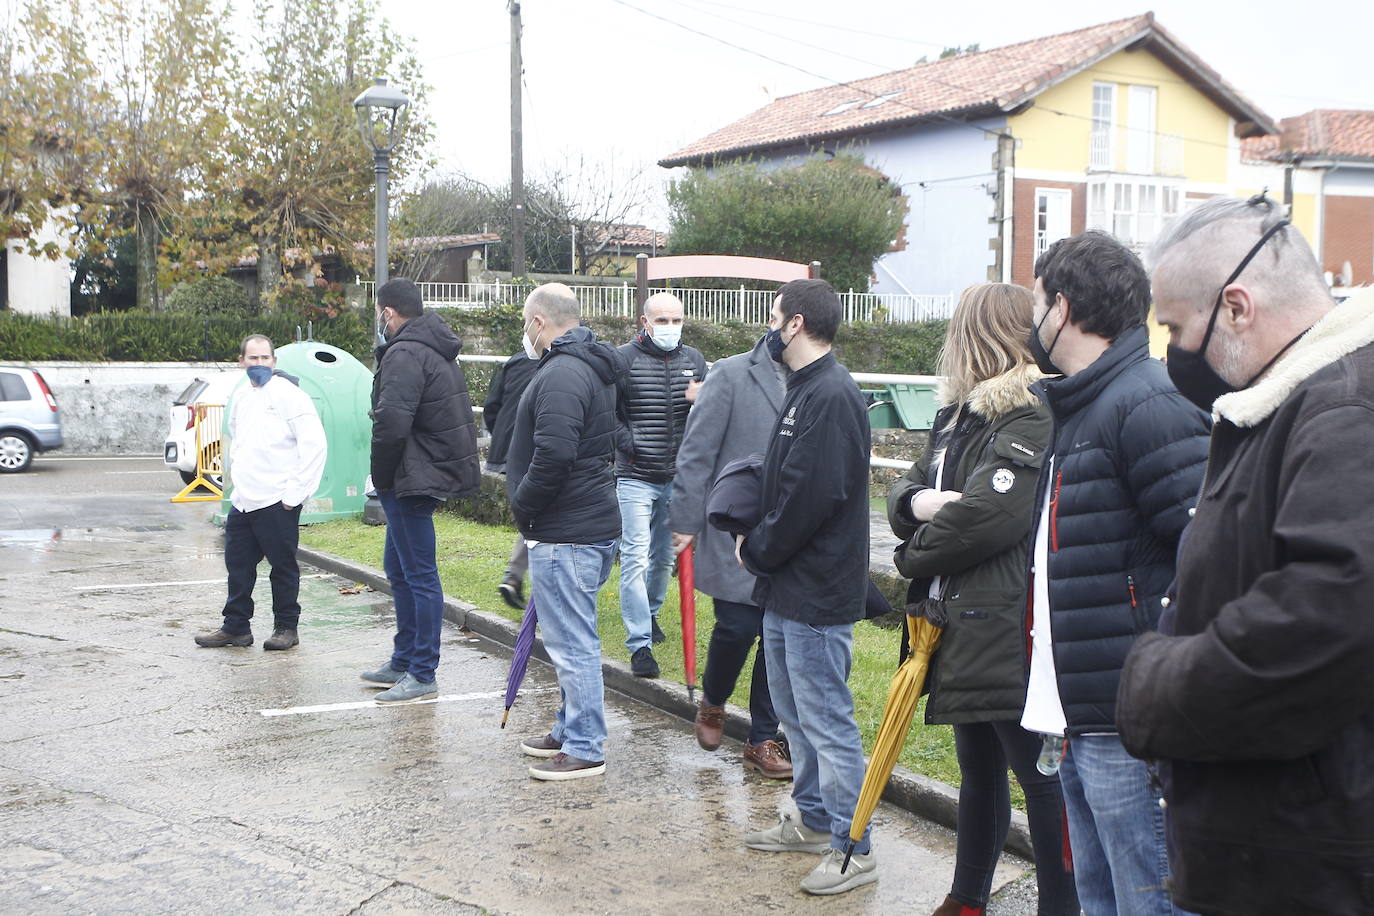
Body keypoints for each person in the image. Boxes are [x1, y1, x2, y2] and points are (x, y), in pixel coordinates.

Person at [1117, 196, 1374, 915]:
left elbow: (1326, 620)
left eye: (1174, 326)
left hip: (1313, 864)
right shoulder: (1293, 403)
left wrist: (1154, 684)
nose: (1171, 350)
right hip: (1281, 852)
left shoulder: (1345, 410)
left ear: (1236, 306)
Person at [1019, 232, 1209, 916]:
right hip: (1080, 716)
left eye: (1036, 302)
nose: (1029, 319)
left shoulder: (1147, 405)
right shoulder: (1081, 407)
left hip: (1129, 722)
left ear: (1062, 308)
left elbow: (1205, 557)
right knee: (1100, 900)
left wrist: (1155, 683)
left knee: (1147, 902)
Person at [887, 284, 1077, 916]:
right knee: (978, 768)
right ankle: (967, 897)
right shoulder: (956, 416)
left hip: (1004, 622)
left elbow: (987, 518)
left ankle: (1061, 905)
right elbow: (906, 493)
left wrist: (912, 549)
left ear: (973, 335)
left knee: (1039, 780)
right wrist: (918, 505)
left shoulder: (1027, 411)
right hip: (955, 622)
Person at [737, 279, 875, 896]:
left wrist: (757, 548)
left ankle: (854, 845)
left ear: (794, 324)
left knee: (826, 720)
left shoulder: (832, 395)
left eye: (773, 317)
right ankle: (815, 821)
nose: (769, 329)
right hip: (786, 588)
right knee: (793, 714)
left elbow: (811, 497)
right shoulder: (805, 391)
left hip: (816, 591)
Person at [509, 283, 623, 781]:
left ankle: (584, 745)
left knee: (573, 642)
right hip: (585, 524)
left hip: (567, 531)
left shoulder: (561, 373)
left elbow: (554, 454)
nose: (524, 333)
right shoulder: (592, 365)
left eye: (524, 323)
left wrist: (523, 505)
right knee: (567, 639)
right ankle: (566, 727)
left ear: (539, 323)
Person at [669, 332, 791, 780]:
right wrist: (685, 519)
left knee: (776, 638)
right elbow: (696, 452)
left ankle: (762, 738)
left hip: (789, 531)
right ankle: (715, 700)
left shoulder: (814, 376)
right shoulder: (731, 373)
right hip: (734, 524)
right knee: (738, 626)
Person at [359, 278, 480, 704]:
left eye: (379, 313)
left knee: (420, 575)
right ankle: (404, 658)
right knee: (399, 569)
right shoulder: (428, 347)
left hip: (411, 478)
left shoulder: (406, 352)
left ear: (388, 313)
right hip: (418, 473)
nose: (379, 320)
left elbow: (391, 422)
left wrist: (381, 476)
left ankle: (422, 670)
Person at [195, 334, 326, 650]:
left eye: (264, 358)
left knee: (282, 568)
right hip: (245, 500)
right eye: (252, 359)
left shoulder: (290, 396)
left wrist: (294, 496)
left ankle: (286, 629)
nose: (259, 364)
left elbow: (315, 445)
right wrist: (238, 491)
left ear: (274, 362)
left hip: (277, 500)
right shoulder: (242, 397)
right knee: (237, 567)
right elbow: (238, 441)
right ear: (241, 361)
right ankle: (236, 627)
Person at [614, 292, 707, 678]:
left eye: (676, 320)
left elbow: (709, 416)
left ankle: (650, 614)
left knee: (664, 558)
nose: (670, 327)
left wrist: (702, 400)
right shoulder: (623, 359)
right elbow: (608, 412)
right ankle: (640, 645)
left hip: (677, 477)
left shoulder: (695, 360)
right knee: (634, 556)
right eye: (662, 320)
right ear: (644, 321)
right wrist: (628, 445)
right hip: (635, 475)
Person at [482, 350, 540, 610]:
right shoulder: (561, 366)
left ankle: (514, 575)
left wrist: (504, 440)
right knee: (539, 519)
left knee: (531, 516)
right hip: (532, 452)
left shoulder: (513, 362)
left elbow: (491, 407)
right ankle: (518, 577)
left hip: (505, 452)